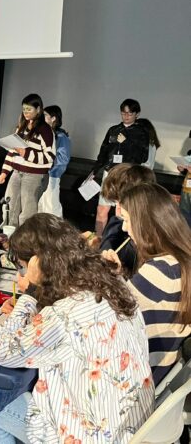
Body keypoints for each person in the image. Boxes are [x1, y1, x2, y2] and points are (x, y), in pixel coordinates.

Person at [0, 214, 154, 444]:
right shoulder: (112, 282)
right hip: (134, 426)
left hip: (89, 435)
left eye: (24, 268)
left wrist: (30, 295)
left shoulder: (63, 315)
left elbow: (3, 351)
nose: (23, 275)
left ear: (40, 264)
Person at [103, 183, 191, 385]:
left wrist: (104, 277)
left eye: (127, 220)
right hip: (159, 374)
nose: (124, 228)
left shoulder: (160, 271)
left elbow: (106, 319)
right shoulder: (178, 263)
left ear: (146, 223)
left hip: (136, 379)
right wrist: (117, 276)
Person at [93, 98, 149, 235]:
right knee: (102, 208)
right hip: (110, 172)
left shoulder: (141, 133)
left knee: (121, 210)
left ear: (137, 114)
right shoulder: (113, 130)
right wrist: (95, 170)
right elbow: (103, 152)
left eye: (130, 113)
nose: (126, 116)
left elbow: (143, 157)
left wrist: (127, 142)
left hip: (127, 175)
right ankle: (98, 238)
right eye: (123, 113)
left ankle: (117, 240)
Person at [88, 163, 156, 275]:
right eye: (115, 203)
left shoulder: (144, 239)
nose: (118, 210)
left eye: (121, 202)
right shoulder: (117, 223)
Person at [0, 94, 54, 227]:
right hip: (16, 172)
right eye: (24, 109)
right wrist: (4, 172)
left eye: (29, 109)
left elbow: (49, 157)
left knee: (27, 211)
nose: (26, 112)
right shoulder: (21, 127)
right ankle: (9, 235)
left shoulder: (45, 130)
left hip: (33, 175)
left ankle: (26, 238)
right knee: (10, 206)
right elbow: (12, 152)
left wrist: (25, 153)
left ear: (38, 109)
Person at [37, 105, 70, 218]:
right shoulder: (43, 133)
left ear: (53, 118)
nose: (42, 117)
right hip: (39, 174)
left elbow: (63, 159)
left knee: (51, 206)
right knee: (40, 205)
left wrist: (51, 170)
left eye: (45, 115)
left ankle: (55, 229)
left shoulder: (61, 136)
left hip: (51, 176)